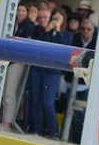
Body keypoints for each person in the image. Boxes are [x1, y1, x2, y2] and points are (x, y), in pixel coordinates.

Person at [30, 8, 71, 138]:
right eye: (54, 18)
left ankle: (53, 132)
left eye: (58, 19)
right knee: (36, 100)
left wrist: (58, 30)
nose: (55, 21)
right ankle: (37, 130)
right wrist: (47, 30)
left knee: (48, 102)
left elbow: (63, 48)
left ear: (63, 20)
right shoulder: (46, 32)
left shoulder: (66, 34)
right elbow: (39, 45)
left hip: (53, 72)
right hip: (39, 69)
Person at [0, 2, 36, 130]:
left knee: (10, 92)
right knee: (2, 91)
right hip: (5, 60)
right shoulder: (12, 23)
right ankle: (2, 119)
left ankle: (7, 122)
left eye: (23, 11)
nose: (20, 13)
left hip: (17, 62)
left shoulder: (28, 26)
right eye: (18, 10)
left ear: (27, 13)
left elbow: (26, 46)